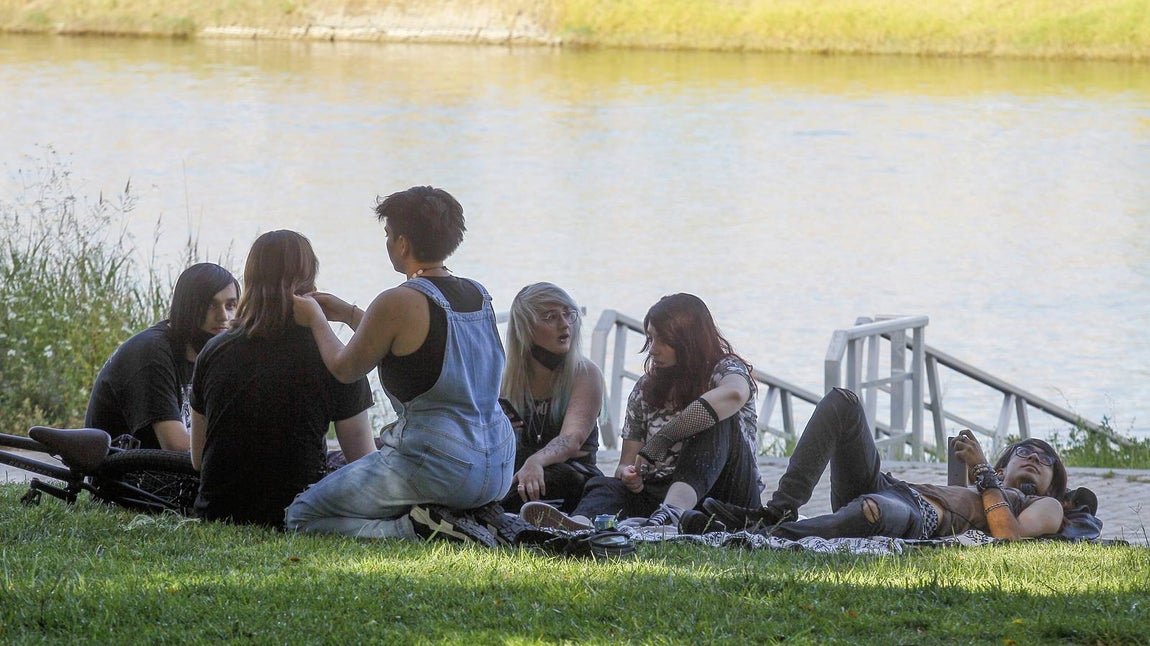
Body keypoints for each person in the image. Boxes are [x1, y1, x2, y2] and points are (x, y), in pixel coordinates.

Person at [284, 186, 515, 544]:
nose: (389, 242)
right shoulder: (478, 295)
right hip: (498, 464)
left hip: (437, 465)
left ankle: (415, 530)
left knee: (302, 514)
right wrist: (347, 313)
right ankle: (457, 519)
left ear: (403, 244)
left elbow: (345, 368)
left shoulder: (397, 301)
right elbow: (414, 345)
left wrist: (316, 319)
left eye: (389, 235)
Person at [687, 387, 1067, 541]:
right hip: (891, 487)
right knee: (843, 402)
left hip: (916, 516)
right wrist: (982, 478)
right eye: (1026, 451)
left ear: (1052, 483)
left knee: (871, 512)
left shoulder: (1043, 504)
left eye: (1045, 458)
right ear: (1003, 468)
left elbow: (1010, 538)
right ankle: (778, 512)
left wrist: (983, 474)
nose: (1035, 456)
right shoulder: (988, 486)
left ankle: (758, 539)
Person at [522, 293, 764, 530]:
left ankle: (672, 515)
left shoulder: (726, 369)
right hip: (659, 497)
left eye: (664, 341)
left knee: (713, 418)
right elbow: (626, 461)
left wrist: (663, 439)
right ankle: (580, 526)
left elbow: (734, 394)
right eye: (650, 338)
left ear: (688, 341)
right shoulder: (645, 388)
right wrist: (628, 474)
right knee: (603, 485)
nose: (653, 349)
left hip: (726, 497)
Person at [189, 230, 376, 528]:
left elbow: (199, 460)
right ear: (309, 280)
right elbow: (364, 464)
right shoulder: (333, 358)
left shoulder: (213, 351)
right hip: (295, 515)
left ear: (250, 281)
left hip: (217, 512)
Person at [84, 263, 239, 451]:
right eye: (210, 305)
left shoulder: (213, 354)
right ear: (187, 307)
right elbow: (176, 446)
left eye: (230, 305)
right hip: (127, 475)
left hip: (170, 475)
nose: (223, 316)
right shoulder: (152, 352)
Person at [498, 282, 605, 514]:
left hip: (573, 477)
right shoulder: (504, 380)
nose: (565, 324)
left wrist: (536, 461)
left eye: (568, 314)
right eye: (550, 317)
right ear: (524, 328)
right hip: (518, 476)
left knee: (552, 478)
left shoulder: (585, 373)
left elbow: (571, 439)